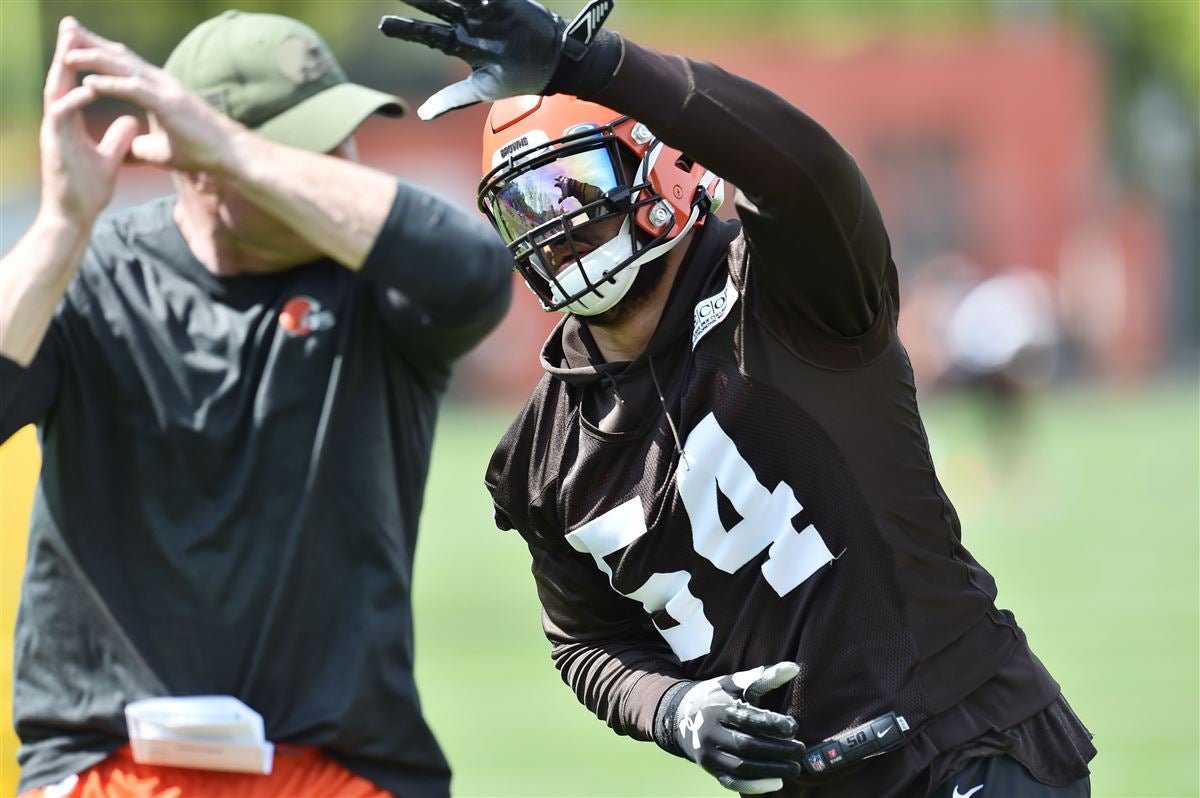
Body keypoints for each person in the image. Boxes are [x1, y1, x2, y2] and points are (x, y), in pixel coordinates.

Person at [380, 1, 1096, 797]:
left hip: (964, 748)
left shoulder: (787, 289)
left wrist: (592, 66)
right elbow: (586, 643)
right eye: (528, 206)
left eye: (574, 187)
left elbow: (805, 169)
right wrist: (674, 710)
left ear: (665, 167)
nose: (557, 228)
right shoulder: (540, 455)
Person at [1, 10, 511, 798]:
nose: (343, 166)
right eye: (310, 147)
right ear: (193, 165)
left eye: (343, 138)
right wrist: (61, 225)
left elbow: (476, 274)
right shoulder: (93, 273)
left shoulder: (376, 283)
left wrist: (237, 147)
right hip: (113, 766)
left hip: (344, 769)